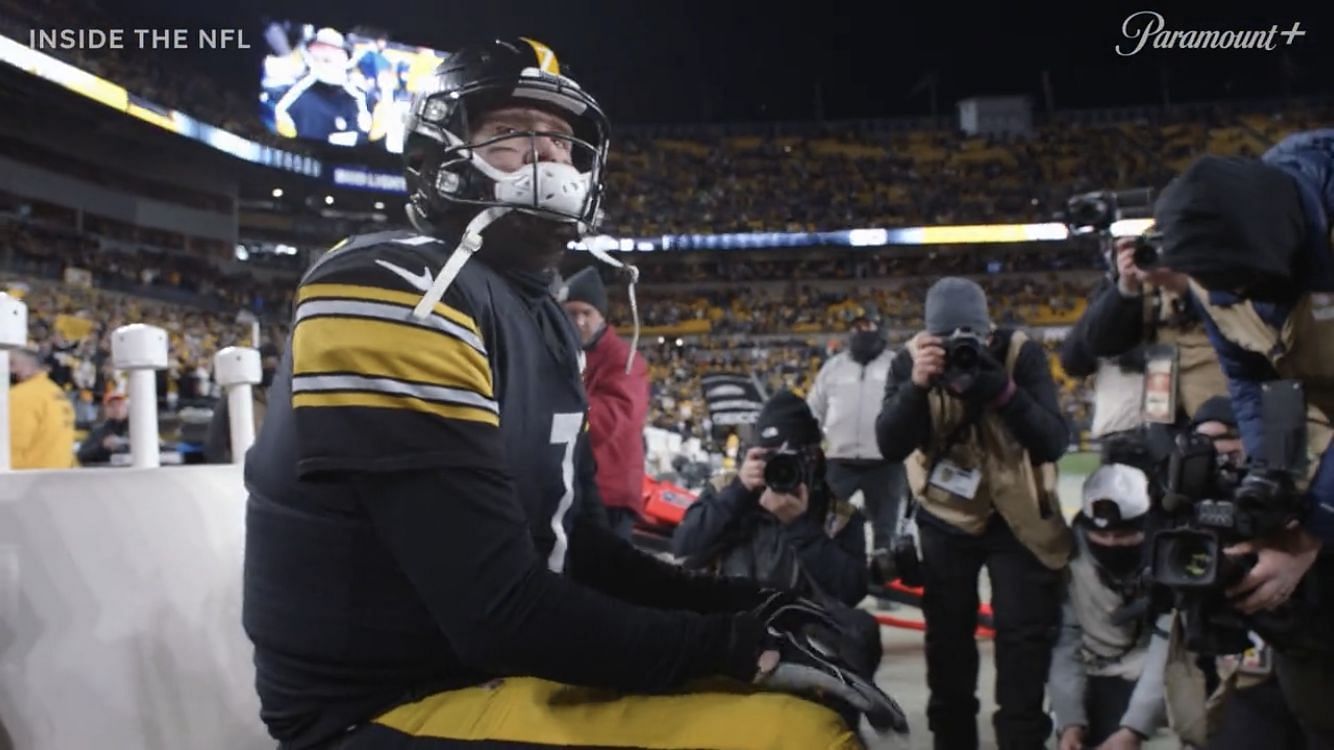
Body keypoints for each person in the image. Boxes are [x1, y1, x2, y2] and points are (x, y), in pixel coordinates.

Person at [242, 38, 902, 750]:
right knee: (801, 738)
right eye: (511, 135)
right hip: (386, 702)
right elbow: (494, 609)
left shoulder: (544, 316)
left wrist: (753, 603)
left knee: (843, 650)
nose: (548, 157)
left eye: (560, 139)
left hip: (487, 667)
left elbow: (575, 546)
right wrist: (733, 646)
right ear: (435, 158)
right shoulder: (393, 288)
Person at [1153, 133, 1334, 745]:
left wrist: (1312, 527)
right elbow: (1252, 380)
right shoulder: (1216, 269)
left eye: (1241, 283)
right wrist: (1270, 480)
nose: (1231, 299)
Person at [876, 277, 1072, 749]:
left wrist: (1003, 392)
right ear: (928, 339)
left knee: (1022, 638)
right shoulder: (909, 361)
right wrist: (917, 387)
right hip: (945, 514)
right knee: (947, 640)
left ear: (989, 335)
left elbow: (1053, 441)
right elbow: (889, 444)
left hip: (1018, 515)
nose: (961, 350)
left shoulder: (1019, 354)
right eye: (946, 342)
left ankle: (1022, 739)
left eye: (972, 340)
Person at [672, 390, 871, 609]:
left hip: (802, 633)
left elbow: (851, 592)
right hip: (732, 624)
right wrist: (739, 492)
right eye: (768, 457)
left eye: (788, 457)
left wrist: (801, 528)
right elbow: (684, 549)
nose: (778, 468)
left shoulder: (838, 515)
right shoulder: (725, 490)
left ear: (813, 457)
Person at [1049, 463, 1170, 750]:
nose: (1111, 543)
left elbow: (1166, 651)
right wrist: (1070, 722)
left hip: (1158, 671)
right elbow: (1066, 642)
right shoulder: (1068, 560)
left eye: (1125, 535)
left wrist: (1134, 729)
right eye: (1102, 536)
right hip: (1099, 669)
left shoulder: (1169, 559)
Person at [559, 266, 650, 541]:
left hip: (609, 493)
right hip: (575, 488)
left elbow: (611, 421)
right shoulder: (564, 353)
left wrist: (554, 411)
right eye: (572, 313)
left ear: (601, 317)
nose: (579, 321)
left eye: (587, 313)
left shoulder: (625, 359)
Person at [807, 312, 905, 563]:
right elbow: (814, 409)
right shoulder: (834, 367)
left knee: (886, 530)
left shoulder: (896, 364)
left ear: (880, 330)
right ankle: (826, 578)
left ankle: (883, 587)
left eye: (868, 326)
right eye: (857, 327)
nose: (862, 332)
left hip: (885, 461)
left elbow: (910, 407)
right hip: (839, 460)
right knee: (825, 522)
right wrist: (810, 445)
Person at [205, 344, 279, 464]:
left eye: (273, 367)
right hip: (234, 466)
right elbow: (216, 440)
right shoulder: (234, 398)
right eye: (266, 366)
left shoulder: (273, 397)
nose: (271, 372)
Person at [9, 345, 75, 469]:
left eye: (12, 364)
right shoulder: (56, 392)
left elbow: (11, 447)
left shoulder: (21, 395)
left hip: (24, 481)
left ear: (27, 367)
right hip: (57, 476)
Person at [77, 391, 129, 465]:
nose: (117, 408)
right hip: (107, 474)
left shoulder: (137, 429)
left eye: (120, 404)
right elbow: (81, 455)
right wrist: (103, 446)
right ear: (106, 409)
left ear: (126, 407)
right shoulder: (98, 432)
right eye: (112, 405)